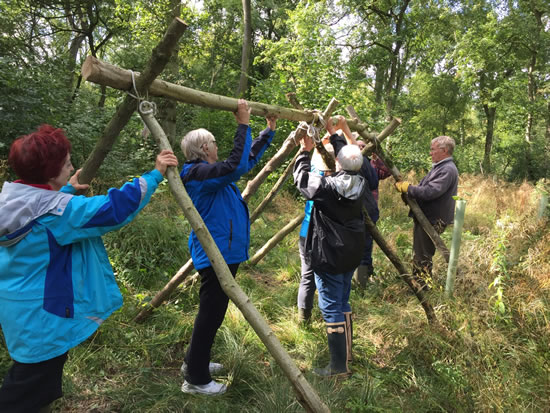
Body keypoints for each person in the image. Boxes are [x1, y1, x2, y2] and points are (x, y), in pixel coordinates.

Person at [0, 124, 178, 413]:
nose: (71, 166)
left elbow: (40, 213)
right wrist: (155, 174)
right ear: (49, 172)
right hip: (43, 316)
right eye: (67, 163)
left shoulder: (12, 199)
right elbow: (113, 209)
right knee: (26, 393)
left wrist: (66, 190)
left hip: (20, 310)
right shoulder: (60, 213)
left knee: (32, 383)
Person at [179, 99, 276, 395]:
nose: (217, 146)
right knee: (211, 312)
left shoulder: (210, 172)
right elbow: (235, 166)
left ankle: (195, 361)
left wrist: (267, 131)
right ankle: (195, 379)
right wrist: (242, 123)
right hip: (215, 252)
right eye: (213, 142)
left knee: (213, 311)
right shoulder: (196, 174)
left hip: (224, 250)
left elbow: (243, 161)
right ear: (204, 148)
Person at [293, 117, 368, 377]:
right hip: (350, 253)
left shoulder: (327, 188)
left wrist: (303, 152)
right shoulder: (362, 181)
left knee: (331, 307)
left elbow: (302, 180)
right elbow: (349, 158)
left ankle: (338, 368)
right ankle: (346, 357)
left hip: (331, 254)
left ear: (338, 162)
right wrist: (334, 134)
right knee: (343, 302)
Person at [394, 136, 458, 288]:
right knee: (420, 252)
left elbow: (430, 192)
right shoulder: (440, 167)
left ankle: (422, 288)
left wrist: (408, 188)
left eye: (433, 149)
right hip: (427, 217)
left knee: (423, 255)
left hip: (432, 219)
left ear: (444, 150)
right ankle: (421, 285)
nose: (430, 153)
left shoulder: (447, 169)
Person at [354, 143, 391, 287]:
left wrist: (377, 157)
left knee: (365, 247)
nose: (362, 147)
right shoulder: (350, 164)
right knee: (354, 247)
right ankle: (355, 280)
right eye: (359, 145)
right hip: (354, 214)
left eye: (364, 145)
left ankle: (362, 281)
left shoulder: (370, 164)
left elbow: (386, 171)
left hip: (369, 213)